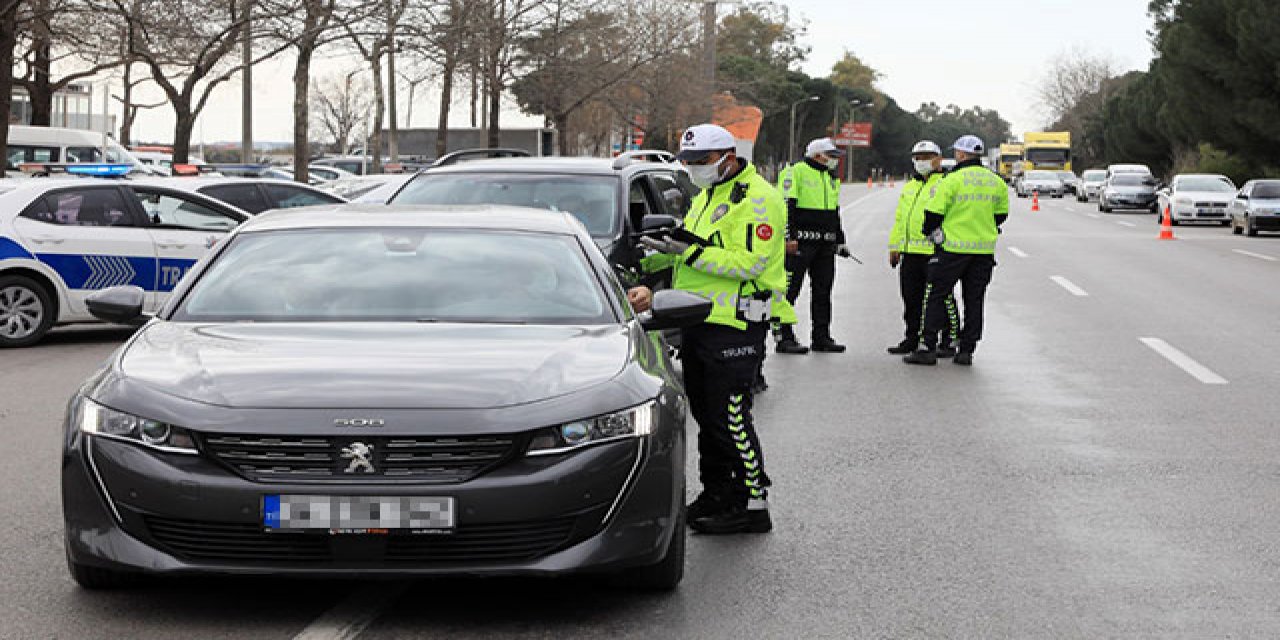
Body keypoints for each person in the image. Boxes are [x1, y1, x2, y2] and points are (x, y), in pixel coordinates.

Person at [627, 123, 795, 534]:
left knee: (731, 417)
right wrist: (655, 255)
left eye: (701, 161)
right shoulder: (708, 196)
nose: (693, 169)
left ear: (728, 158)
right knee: (706, 415)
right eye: (688, 162)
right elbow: (694, 252)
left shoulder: (759, 200)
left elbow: (749, 263)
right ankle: (718, 493)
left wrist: (688, 250)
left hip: (736, 324)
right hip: (698, 318)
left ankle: (752, 503)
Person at [904, 135, 1009, 366]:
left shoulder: (951, 180)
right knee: (975, 301)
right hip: (983, 251)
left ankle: (927, 347)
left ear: (961, 154)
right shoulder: (996, 181)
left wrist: (932, 233)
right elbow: (1001, 215)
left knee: (936, 295)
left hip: (951, 249)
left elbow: (933, 213)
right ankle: (966, 351)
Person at [777, 137, 851, 355]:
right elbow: (786, 206)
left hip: (825, 244)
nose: (835, 160)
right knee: (790, 290)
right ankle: (784, 337)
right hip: (800, 242)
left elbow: (834, 212)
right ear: (818, 155)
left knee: (823, 292)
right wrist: (788, 237)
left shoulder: (830, 178)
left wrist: (840, 240)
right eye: (832, 156)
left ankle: (821, 337)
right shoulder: (795, 172)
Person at [887, 140, 960, 357]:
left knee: (941, 300)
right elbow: (900, 219)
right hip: (910, 252)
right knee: (911, 299)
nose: (921, 162)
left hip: (935, 252)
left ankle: (949, 339)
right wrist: (895, 246)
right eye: (917, 158)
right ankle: (912, 338)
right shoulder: (911, 186)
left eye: (927, 157)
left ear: (938, 159)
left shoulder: (946, 183)